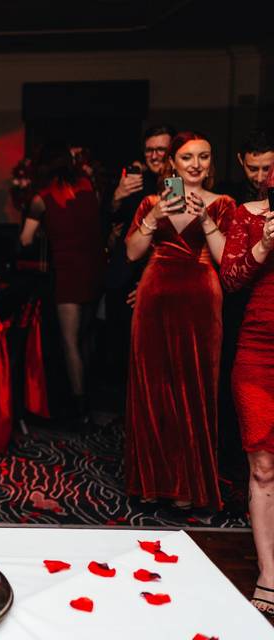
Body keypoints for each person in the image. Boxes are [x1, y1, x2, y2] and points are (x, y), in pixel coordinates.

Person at [123, 131, 235, 512]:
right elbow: (133, 253)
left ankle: (190, 486)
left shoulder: (223, 204)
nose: (196, 165)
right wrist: (154, 216)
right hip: (155, 297)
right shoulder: (151, 202)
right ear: (173, 163)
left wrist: (205, 220)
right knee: (152, 389)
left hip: (201, 301)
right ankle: (152, 483)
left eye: (204, 157)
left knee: (196, 390)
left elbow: (226, 261)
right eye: (188, 158)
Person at [219, 171, 274, 621]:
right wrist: (264, 245)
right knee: (262, 465)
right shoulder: (247, 216)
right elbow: (231, 279)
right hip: (257, 352)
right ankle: (269, 571)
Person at [20, 142, 105, 426]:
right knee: (87, 336)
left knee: (69, 341)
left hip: (67, 271)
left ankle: (79, 407)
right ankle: (92, 398)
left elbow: (25, 240)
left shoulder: (41, 198)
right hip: (94, 268)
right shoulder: (87, 186)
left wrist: (46, 228)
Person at [103, 124, 175, 388]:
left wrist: (148, 282)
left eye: (161, 149)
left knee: (155, 364)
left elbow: (173, 239)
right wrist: (117, 197)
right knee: (123, 359)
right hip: (123, 279)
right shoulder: (134, 183)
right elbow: (110, 224)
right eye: (149, 150)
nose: (154, 156)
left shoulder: (175, 184)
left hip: (155, 283)